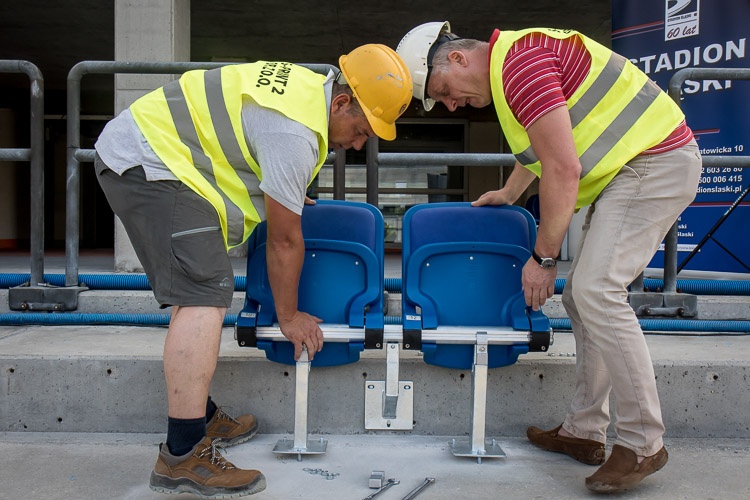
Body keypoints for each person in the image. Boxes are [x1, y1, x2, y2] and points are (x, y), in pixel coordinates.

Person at [94, 44, 412, 498]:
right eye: (361, 130)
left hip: (157, 154)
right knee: (204, 292)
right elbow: (284, 241)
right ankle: (182, 455)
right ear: (341, 102)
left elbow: (246, 140)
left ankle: (198, 416)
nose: (359, 144)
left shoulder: (305, 92)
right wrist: (289, 316)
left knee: (198, 292)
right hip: (151, 162)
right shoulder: (295, 132)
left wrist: (285, 186)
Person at [397, 22, 701, 493]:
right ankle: (584, 430)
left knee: (597, 292)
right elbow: (542, 147)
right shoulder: (513, 64)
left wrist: (543, 258)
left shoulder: (519, 67)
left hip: (653, 163)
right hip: (635, 168)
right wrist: (509, 192)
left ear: (456, 58)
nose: (452, 105)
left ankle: (643, 443)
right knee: (584, 298)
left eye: (443, 92)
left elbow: (562, 167)